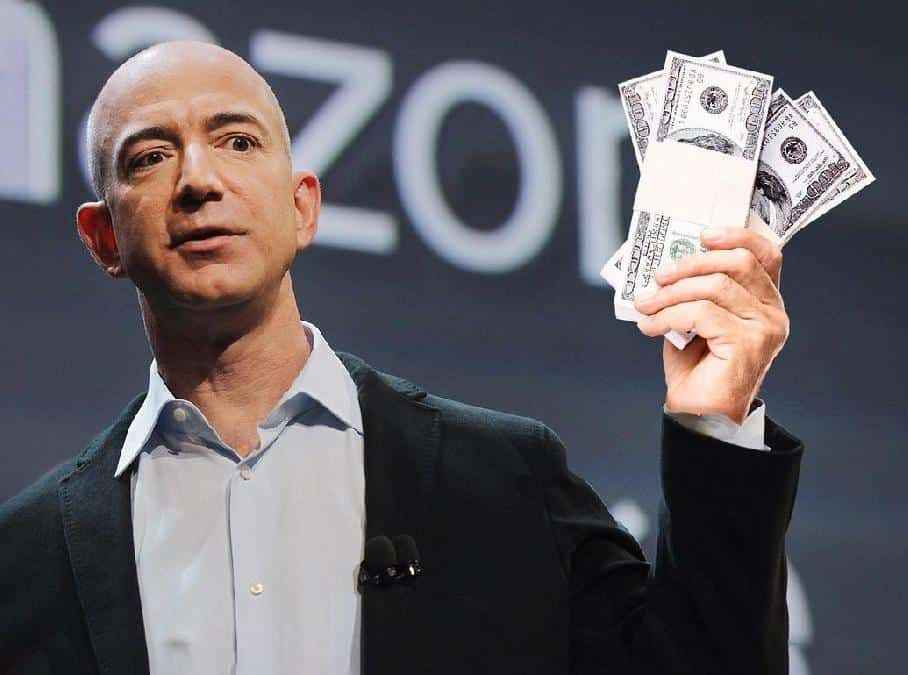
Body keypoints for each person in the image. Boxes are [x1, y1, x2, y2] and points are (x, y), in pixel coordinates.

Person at [0, 41, 802, 674]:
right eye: (150, 157)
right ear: (103, 238)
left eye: (237, 141)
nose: (199, 180)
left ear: (302, 207)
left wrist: (715, 426)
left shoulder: (505, 477)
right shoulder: (27, 556)